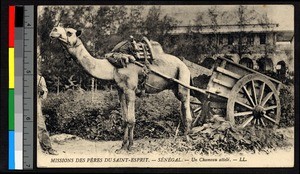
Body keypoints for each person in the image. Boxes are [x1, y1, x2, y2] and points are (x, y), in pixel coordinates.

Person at [37, 73, 58, 155]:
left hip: (36, 106)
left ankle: (47, 148)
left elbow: (44, 94)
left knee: (41, 127)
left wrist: (41, 91)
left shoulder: (40, 78)